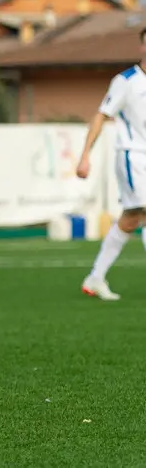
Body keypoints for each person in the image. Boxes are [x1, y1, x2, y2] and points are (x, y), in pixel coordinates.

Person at [75, 29, 146, 301]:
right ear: (142, 48)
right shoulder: (126, 81)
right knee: (137, 212)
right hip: (133, 155)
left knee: (136, 218)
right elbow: (101, 115)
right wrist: (85, 155)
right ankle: (95, 277)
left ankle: (95, 278)